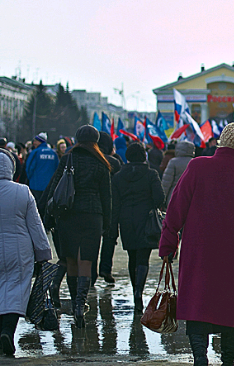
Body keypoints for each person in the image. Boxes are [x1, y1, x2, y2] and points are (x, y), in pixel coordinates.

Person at [159, 122, 234, 366]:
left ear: (221, 141)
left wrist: (168, 245)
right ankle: (228, 359)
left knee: (198, 302)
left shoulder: (197, 166)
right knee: (230, 308)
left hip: (198, 252)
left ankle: (200, 357)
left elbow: (175, 210)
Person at [43, 124, 112, 328]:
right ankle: (81, 306)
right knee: (86, 262)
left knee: (71, 260)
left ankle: (74, 305)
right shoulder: (102, 163)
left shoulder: (67, 159)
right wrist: (106, 223)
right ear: (96, 142)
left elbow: (55, 187)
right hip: (93, 216)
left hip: (68, 215)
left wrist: (48, 217)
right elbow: (106, 197)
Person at [0, 149, 52, 357]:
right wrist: (43, 254)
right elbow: (36, 226)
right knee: (16, 289)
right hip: (19, 251)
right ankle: (7, 331)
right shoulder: (22, 192)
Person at [110, 143, 165, 312]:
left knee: (132, 257)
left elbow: (115, 203)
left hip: (126, 220)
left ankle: (135, 290)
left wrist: (114, 226)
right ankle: (138, 292)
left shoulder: (118, 176)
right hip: (146, 220)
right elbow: (159, 199)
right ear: (144, 156)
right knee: (143, 258)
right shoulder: (151, 174)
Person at [96, 131, 123, 286]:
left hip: (95, 203)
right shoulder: (115, 162)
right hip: (113, 205)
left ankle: (91, 271)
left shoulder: (92, 159)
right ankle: (106, 268)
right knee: (110, 238)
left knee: (93, 240)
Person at [25, 132, 58, 207]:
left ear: (40, 141)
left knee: (36, 207)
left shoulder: (35, 152)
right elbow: (57, 168)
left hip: (36, 185)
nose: (34, 143)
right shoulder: (53, 153)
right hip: (49, 186)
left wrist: (30, 179)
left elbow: (29, 168)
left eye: (35, 141)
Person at [161, 140, 195, 207]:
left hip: (174, 195)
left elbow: (166, 182)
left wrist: (162, 198)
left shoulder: (173, 162)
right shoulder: (195, 162)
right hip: (191, 196)